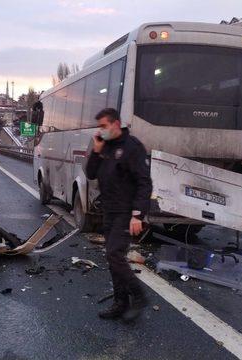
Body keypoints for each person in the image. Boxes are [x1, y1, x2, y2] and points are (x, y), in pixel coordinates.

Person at [85, 108, 153, 321]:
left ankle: (139, 296)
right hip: (109, 210)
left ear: (116, 124)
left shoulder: (132, 148)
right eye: (99, 127)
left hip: (125, 211)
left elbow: (144, 183)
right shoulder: (105, 146)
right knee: (113, 258)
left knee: (114, 254)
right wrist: (96, 151)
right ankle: (120, 303)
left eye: (104, 126)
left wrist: (137, 215)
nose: (100, 130)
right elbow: (91, 173)